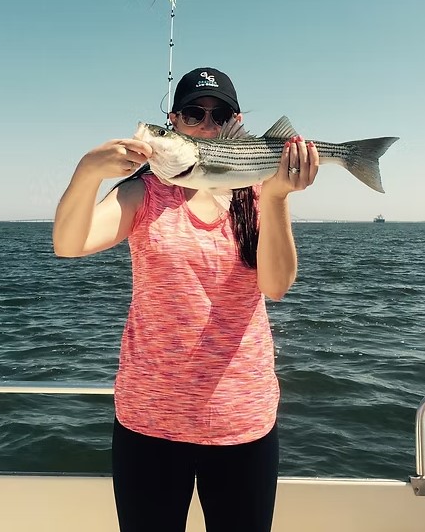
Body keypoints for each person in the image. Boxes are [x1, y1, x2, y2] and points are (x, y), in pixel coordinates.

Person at [52, 67, 319, 532]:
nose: (207, 124)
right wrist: (88, 170)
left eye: (221, 116)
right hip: (149, 419)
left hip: (241, 418)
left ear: (235, 122)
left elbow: (276, 286)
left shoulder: (257, 193)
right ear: (174, 121)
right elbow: (68, 244)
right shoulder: (142, 192)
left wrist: (276, 198)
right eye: (194, 113)